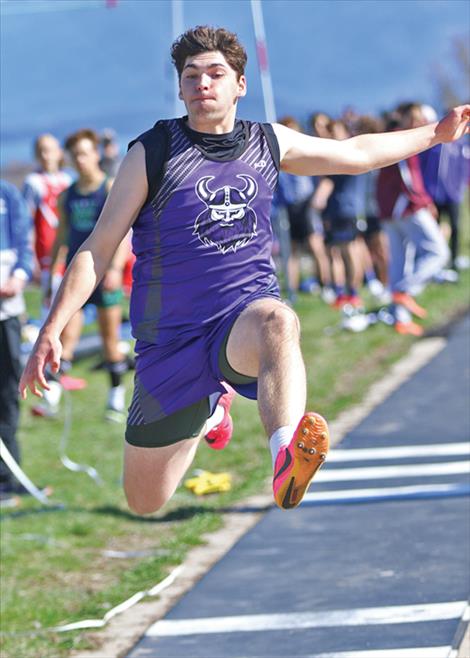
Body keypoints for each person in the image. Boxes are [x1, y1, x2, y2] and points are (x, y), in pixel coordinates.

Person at [20, 26, 470, 514]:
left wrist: (436, 134)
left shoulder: (267, 142)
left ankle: (285, 456)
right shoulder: (152, 151)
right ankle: (214, 409)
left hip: (242, 316)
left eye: (216, 73)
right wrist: (52, 327)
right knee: (145, 500)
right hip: (170, 339)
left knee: (280, 322)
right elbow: (98, 247)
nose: (202, 83)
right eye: (191, 75)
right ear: (179, 87)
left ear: (240, 84)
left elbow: (356, 155)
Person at [33, 129, 130, 422]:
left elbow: (123, 233)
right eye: (75, 155)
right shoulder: (68, 196)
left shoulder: (110, 188)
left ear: (96, 154)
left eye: (85, 153)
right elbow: (61, 239)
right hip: (77, 277)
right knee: (65, 335)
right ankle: (50, 398)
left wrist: (114, 268)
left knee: (110, 339)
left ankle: (115, 399)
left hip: (105, 276)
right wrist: (53, 278)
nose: (81, 160)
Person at [377, 103, 451, 335]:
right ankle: (404, 291)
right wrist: (424, 202)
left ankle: (401, 319)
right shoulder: (401, 138)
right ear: (406, 117)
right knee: (439, 252)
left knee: (400, 262)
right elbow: (407, 177)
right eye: (417, 117)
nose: (420, 123)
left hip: (389, 210)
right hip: (406, 206)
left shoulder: (388, 137)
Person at [0, 180, 33, 504]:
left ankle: (9, 476)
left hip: (6, 314)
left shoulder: (8, 195)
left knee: (7, 394)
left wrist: (17, 278)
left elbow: (25, 247)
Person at [22, 134, 72, 319]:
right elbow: (26, 223)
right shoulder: (33, 182)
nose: (45, 155)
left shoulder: (67, 180)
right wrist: (30, 257)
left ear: (59, 153)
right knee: (51, 305)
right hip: (45, 253)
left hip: (66, 251)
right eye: (41, 151)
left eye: (49, 150)